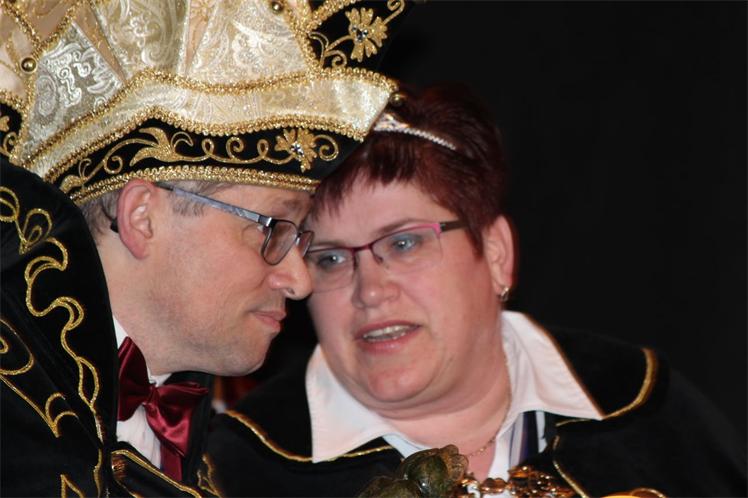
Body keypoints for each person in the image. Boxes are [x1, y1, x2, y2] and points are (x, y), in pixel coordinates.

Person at [202, 83, 747, 497]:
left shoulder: (644, 410)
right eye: (330, 258)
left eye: (404, 243)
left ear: (496, 253)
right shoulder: (234, 471)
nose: (370, 290)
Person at [0, 0, 412, 495]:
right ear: (143, 217)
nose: (300, 281)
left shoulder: (196, 442)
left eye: (299, 237)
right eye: (270, 230)